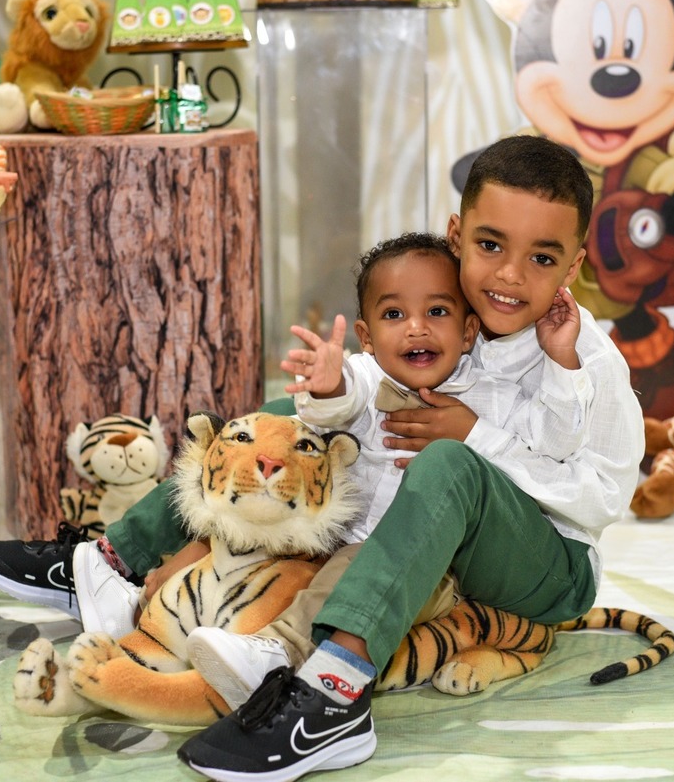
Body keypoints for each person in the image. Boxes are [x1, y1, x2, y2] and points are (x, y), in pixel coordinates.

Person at [173, 135, 643, 781]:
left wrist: (475, 436)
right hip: (449, 552)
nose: (510, 276)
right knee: (285, 418)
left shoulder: (587, 359)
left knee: (448, 462)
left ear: (573, 266)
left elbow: (602, 498)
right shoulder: (451, 315)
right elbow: (372, 385)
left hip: (548, 568)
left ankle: (335, 693)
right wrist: (329, 388)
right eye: (490, 245)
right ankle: (116, 561)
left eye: (541, 257)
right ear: (456, 236)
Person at [183, 230, 583, 711]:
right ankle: (159, 590)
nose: (416, 328)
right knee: (265, 473)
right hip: (337, 541)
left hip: (423, 568)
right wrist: (328, 385)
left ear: (468, 332)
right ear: (367, 337)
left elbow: (556, 440)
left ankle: (280, 651)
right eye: (394, 314)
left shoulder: (493, 395)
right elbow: (338, 403)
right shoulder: (368, 377)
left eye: (437, 311)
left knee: (346, 573)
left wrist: (562, 359)